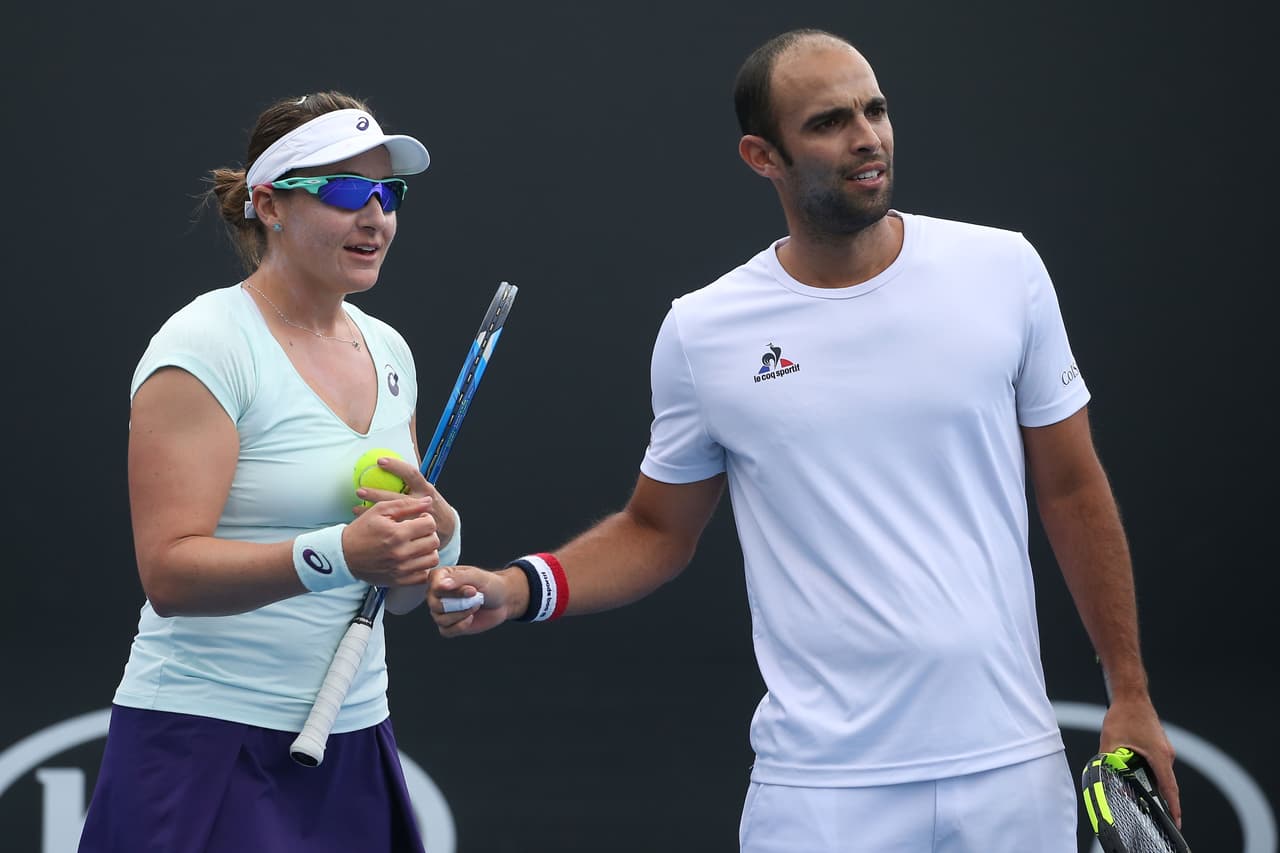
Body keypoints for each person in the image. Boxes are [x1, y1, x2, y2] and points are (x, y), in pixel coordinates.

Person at [428, 29, 1181, 852]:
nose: (867, 136)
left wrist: (1129, 690)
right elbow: (656, 529)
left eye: (876, 109)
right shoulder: (703, 330)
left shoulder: (1005, 269)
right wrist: (517, 587)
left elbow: (1071, 487)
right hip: (819, 793)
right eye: (828, 121)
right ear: (763, 155)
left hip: (1011, 771)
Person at [80, 91, 453, 853]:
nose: (375, 215)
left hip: (353, 736)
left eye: (389, 193)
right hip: (202, 742)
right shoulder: (206, 344)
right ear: (269, 205)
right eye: (346, 189)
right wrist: (340, 553)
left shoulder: (390, 351)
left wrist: (432, 544)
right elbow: (170, 574)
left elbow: (400, 592)